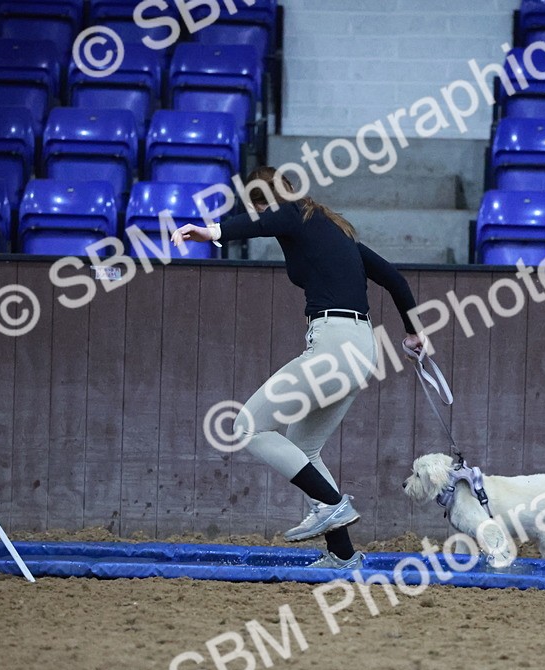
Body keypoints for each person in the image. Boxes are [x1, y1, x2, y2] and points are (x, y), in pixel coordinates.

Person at [173, 167, 424, 569]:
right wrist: (413, 332)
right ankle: (343, 554)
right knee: (304, 448)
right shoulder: (332, 231)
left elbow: (262, 222)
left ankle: (332, 504)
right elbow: (394, 279)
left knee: (247, 427)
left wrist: (211, 231)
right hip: (361, 347)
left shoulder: (292, 213)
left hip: (334, 344)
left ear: (263, 199)